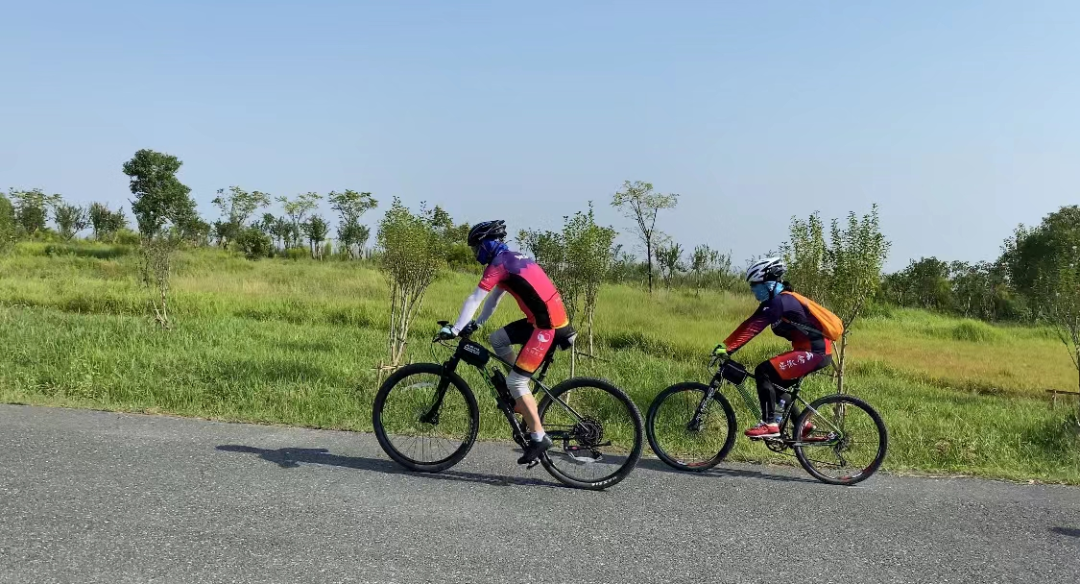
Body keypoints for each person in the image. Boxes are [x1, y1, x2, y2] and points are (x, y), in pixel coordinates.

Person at [438, 220, 575, 463]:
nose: (474, 253)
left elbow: (475, 298)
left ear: (487, 244)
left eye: (475, 247)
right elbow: (493, 300)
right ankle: (521, 394)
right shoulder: (511, 258)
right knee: (498, 339)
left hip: (548, 326)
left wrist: (456, 328)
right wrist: (478, 323)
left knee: (515, 381)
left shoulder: (499, 264)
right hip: (542, 321)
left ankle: (539, 437)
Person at [712, 257, 833, 438]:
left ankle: (770, 424)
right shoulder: (772, 303)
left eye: (756, 284)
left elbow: (755, 328)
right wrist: (725, 344)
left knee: (764, 371)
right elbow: (749, 323)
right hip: (808, 351)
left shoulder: (781, 302)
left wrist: (729, 349)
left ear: (769, 283)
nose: (753, 289)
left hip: (815, 352)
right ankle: (802, 425)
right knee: (775, 385)